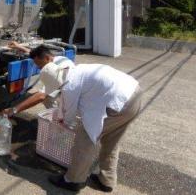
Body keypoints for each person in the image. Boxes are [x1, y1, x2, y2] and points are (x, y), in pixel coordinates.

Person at [39, 61, 143, 193]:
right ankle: (107, 181)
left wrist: (62, 123)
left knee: (84, 140)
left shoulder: (70, 85)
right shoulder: (78, 70)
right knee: (111, 141)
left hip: (118, 102)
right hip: (135, 94)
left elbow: (69, 115)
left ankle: (73, 180)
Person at [3, 43, 75, 116]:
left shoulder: (57, 70)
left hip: (72, 91)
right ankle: (57, 114)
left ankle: (58, 117)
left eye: (40, 64)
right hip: (69, 85)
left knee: (47, 98)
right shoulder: (59, 58)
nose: (39, 67)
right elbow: (35, 53)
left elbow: (41, 96)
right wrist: (18, 46)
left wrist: (14, 110)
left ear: (47, 58)